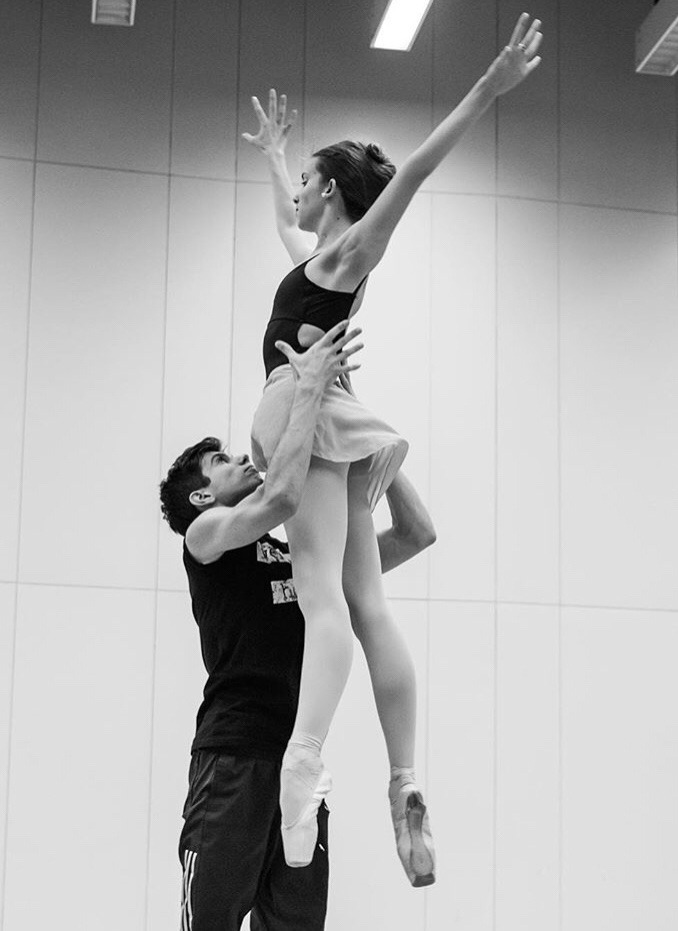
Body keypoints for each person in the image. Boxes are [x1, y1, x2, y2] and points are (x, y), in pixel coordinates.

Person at [242, 11, 543, 880]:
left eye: (304, 178)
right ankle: (405, 781)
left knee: (320, 599)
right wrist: (272, 156)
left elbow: (411, 171)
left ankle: (303, 759)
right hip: (340, 409)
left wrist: (488, 88)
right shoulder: (322, 260)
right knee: (367, 602)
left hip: (299, 409)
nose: (297, 191)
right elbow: (285, 231)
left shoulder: (350, 258)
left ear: (332, 192)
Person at [160, 320, 437, 930]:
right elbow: (282, 497)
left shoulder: (305, 562)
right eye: (222, 462)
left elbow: (417, 534)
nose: (239, 459)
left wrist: (360, 439)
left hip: (298, 777)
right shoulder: (204, 538)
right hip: (232, 761)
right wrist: (313, 392)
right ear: (203, 497)